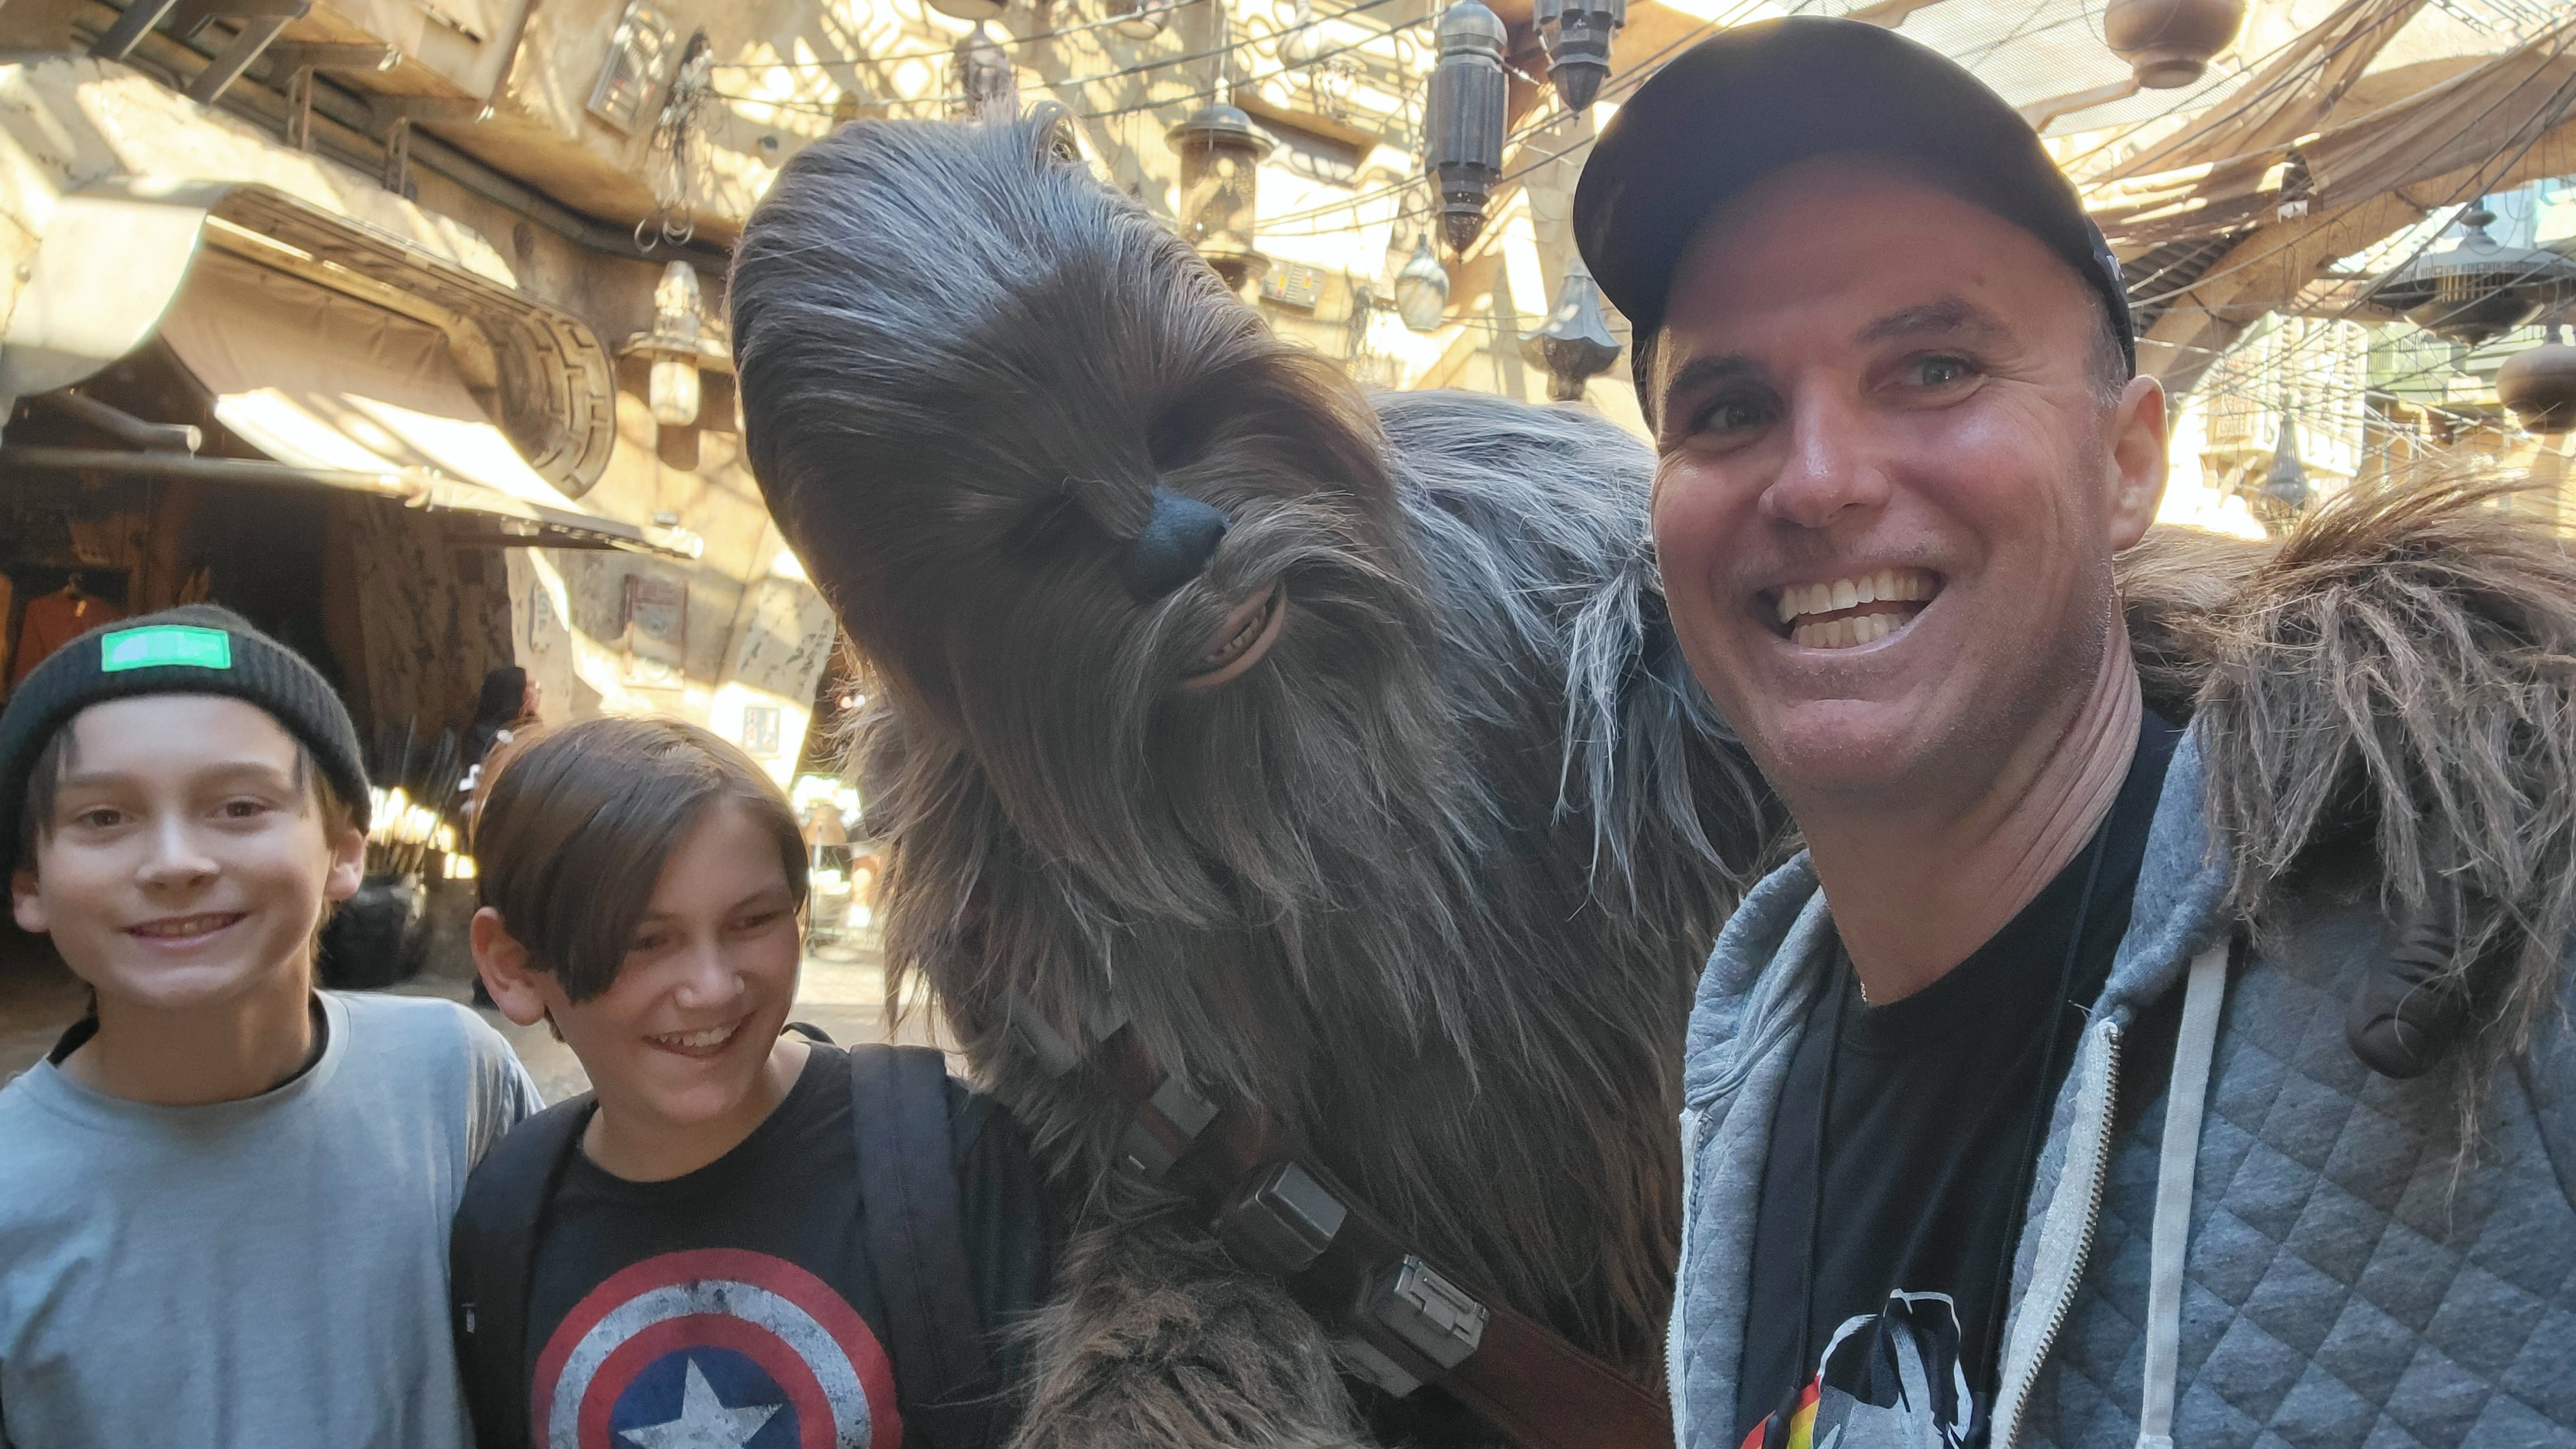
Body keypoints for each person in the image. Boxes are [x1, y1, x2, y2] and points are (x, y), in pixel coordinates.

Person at [1574, 18, 2576, 1449]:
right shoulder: (1750, 1055)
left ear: (2125, 464)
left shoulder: (2490, 955)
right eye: (1728, 408)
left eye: (1933, 368)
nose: (1816, 481)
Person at [0, 602, 541, 1448]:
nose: (175, 862)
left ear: (344, 853)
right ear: (30, 885)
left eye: (240, 807)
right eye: (103, 818)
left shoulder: (454, 1081)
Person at [449, 717, 1061, 1449]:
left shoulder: (957, 1165)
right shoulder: (503, 1220)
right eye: (646, 941)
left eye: (754, 921)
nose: (712, 987)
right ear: (513, 967)